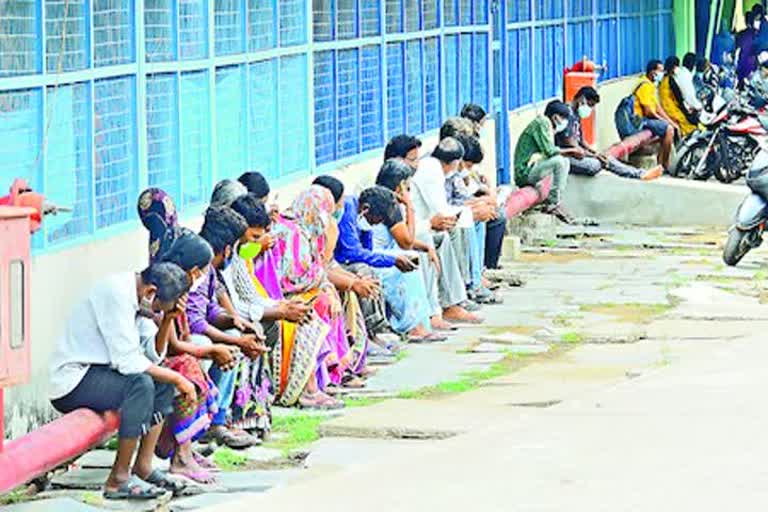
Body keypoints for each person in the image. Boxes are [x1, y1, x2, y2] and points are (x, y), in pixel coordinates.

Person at [49, 263, 193, 499]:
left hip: (103, 372)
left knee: (161, 381)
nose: (157, 312)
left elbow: (151, 355)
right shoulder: (116, 294)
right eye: (159, 308)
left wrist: (168, 319)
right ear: (151, 293)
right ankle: (118, 479)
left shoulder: (142, 295)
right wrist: (179, 379)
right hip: (73, 379)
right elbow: (127, 362)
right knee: (141, 385)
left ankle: (143, 467)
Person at [137, 187, 238, 482]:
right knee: (187, 369)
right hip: (146, 361)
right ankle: (180, 456)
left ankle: (187, 449)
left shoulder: (174, 275)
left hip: (160, 355)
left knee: (194, 366)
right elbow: (166, 347)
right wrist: (210, 350)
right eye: (198, 273)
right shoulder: (162, 283)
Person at [271, 186, 358, 402]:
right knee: (321, 303)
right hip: (284, 294)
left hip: (303, 290)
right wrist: (323, 281)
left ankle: (335, 371)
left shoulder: (309, 231)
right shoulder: (292, 231)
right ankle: (311, 386)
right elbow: (292, 279)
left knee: (334, 297)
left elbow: (320, 265)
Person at [191, 206, 268, 448]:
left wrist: (234, 320)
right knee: (230, 343)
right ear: (227, 248)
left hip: (200, 330)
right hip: (185, 337)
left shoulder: (210, 269)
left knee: (237, 333)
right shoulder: (198, 264)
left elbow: (210, 308)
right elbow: (196, 321)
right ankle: (206, 423)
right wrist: (236, 341)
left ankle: (220, 418)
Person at [410, 137, 484, 324]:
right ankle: (444, 306)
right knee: (445, 235)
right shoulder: (431, 170)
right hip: (417, 228)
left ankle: (456, 299)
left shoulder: (431, 167)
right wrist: (473, 213)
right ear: (454, 162)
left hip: (424, 225)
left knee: (449, 233)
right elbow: (441, 211)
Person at [373, 160, 448, 340]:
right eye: (407, 186)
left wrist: (426, 247)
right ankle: (412, 325)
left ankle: (426, 318)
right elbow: (406, 241)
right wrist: (409, 207)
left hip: (387, 252)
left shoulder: (386, 199)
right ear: (399, 186)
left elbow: (405, 239)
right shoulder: (388, 203)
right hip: (376, 257)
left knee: (419, 253)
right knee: (410, 261)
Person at [557, 86, 663, 181]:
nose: (590, 109)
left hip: (577, 154)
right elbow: (573, 146)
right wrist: (595, 156)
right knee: (597, 164)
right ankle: (639, 174)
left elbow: (582, 141)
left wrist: (596, 153)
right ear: (581, 99)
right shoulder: (567, 114)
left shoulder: (576, 114)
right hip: (567, 157)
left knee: (605, 158)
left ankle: (640, 174)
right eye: (590, 105)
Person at [513, 100, 574, 223]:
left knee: (565, 161)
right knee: (559, 162)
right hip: (524, 172)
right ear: (555, 117)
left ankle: (556, 200)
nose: (564, 123)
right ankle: (553, 203)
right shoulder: (542, 123)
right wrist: (572, 150)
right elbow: (549, 151)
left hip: (532, 168)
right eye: (563, 118)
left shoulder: (546, 125)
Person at [629, 59, 677, 170]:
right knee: (669, 130)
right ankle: (664, 165)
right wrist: (665, 122)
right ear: (652, 72)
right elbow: (648, 112)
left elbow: (657, 108)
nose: (662, 73)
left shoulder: (650, 85)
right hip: (640, 121)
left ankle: (661, 163)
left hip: (646, 119)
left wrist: (669, 120)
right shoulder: (645, 85)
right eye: (660, 70)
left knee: (669, 127)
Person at [659, 56, 699, 137]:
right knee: (691, 125)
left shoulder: (665, 79)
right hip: (672, 111)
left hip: (669, 108)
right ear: (675, 66)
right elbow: (678, 99)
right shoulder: (670, 80)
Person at [736, 8, 763, 85]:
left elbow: (737, 48)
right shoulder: (756, 35)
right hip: (751, 64)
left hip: (742, 63)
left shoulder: (742, 34)